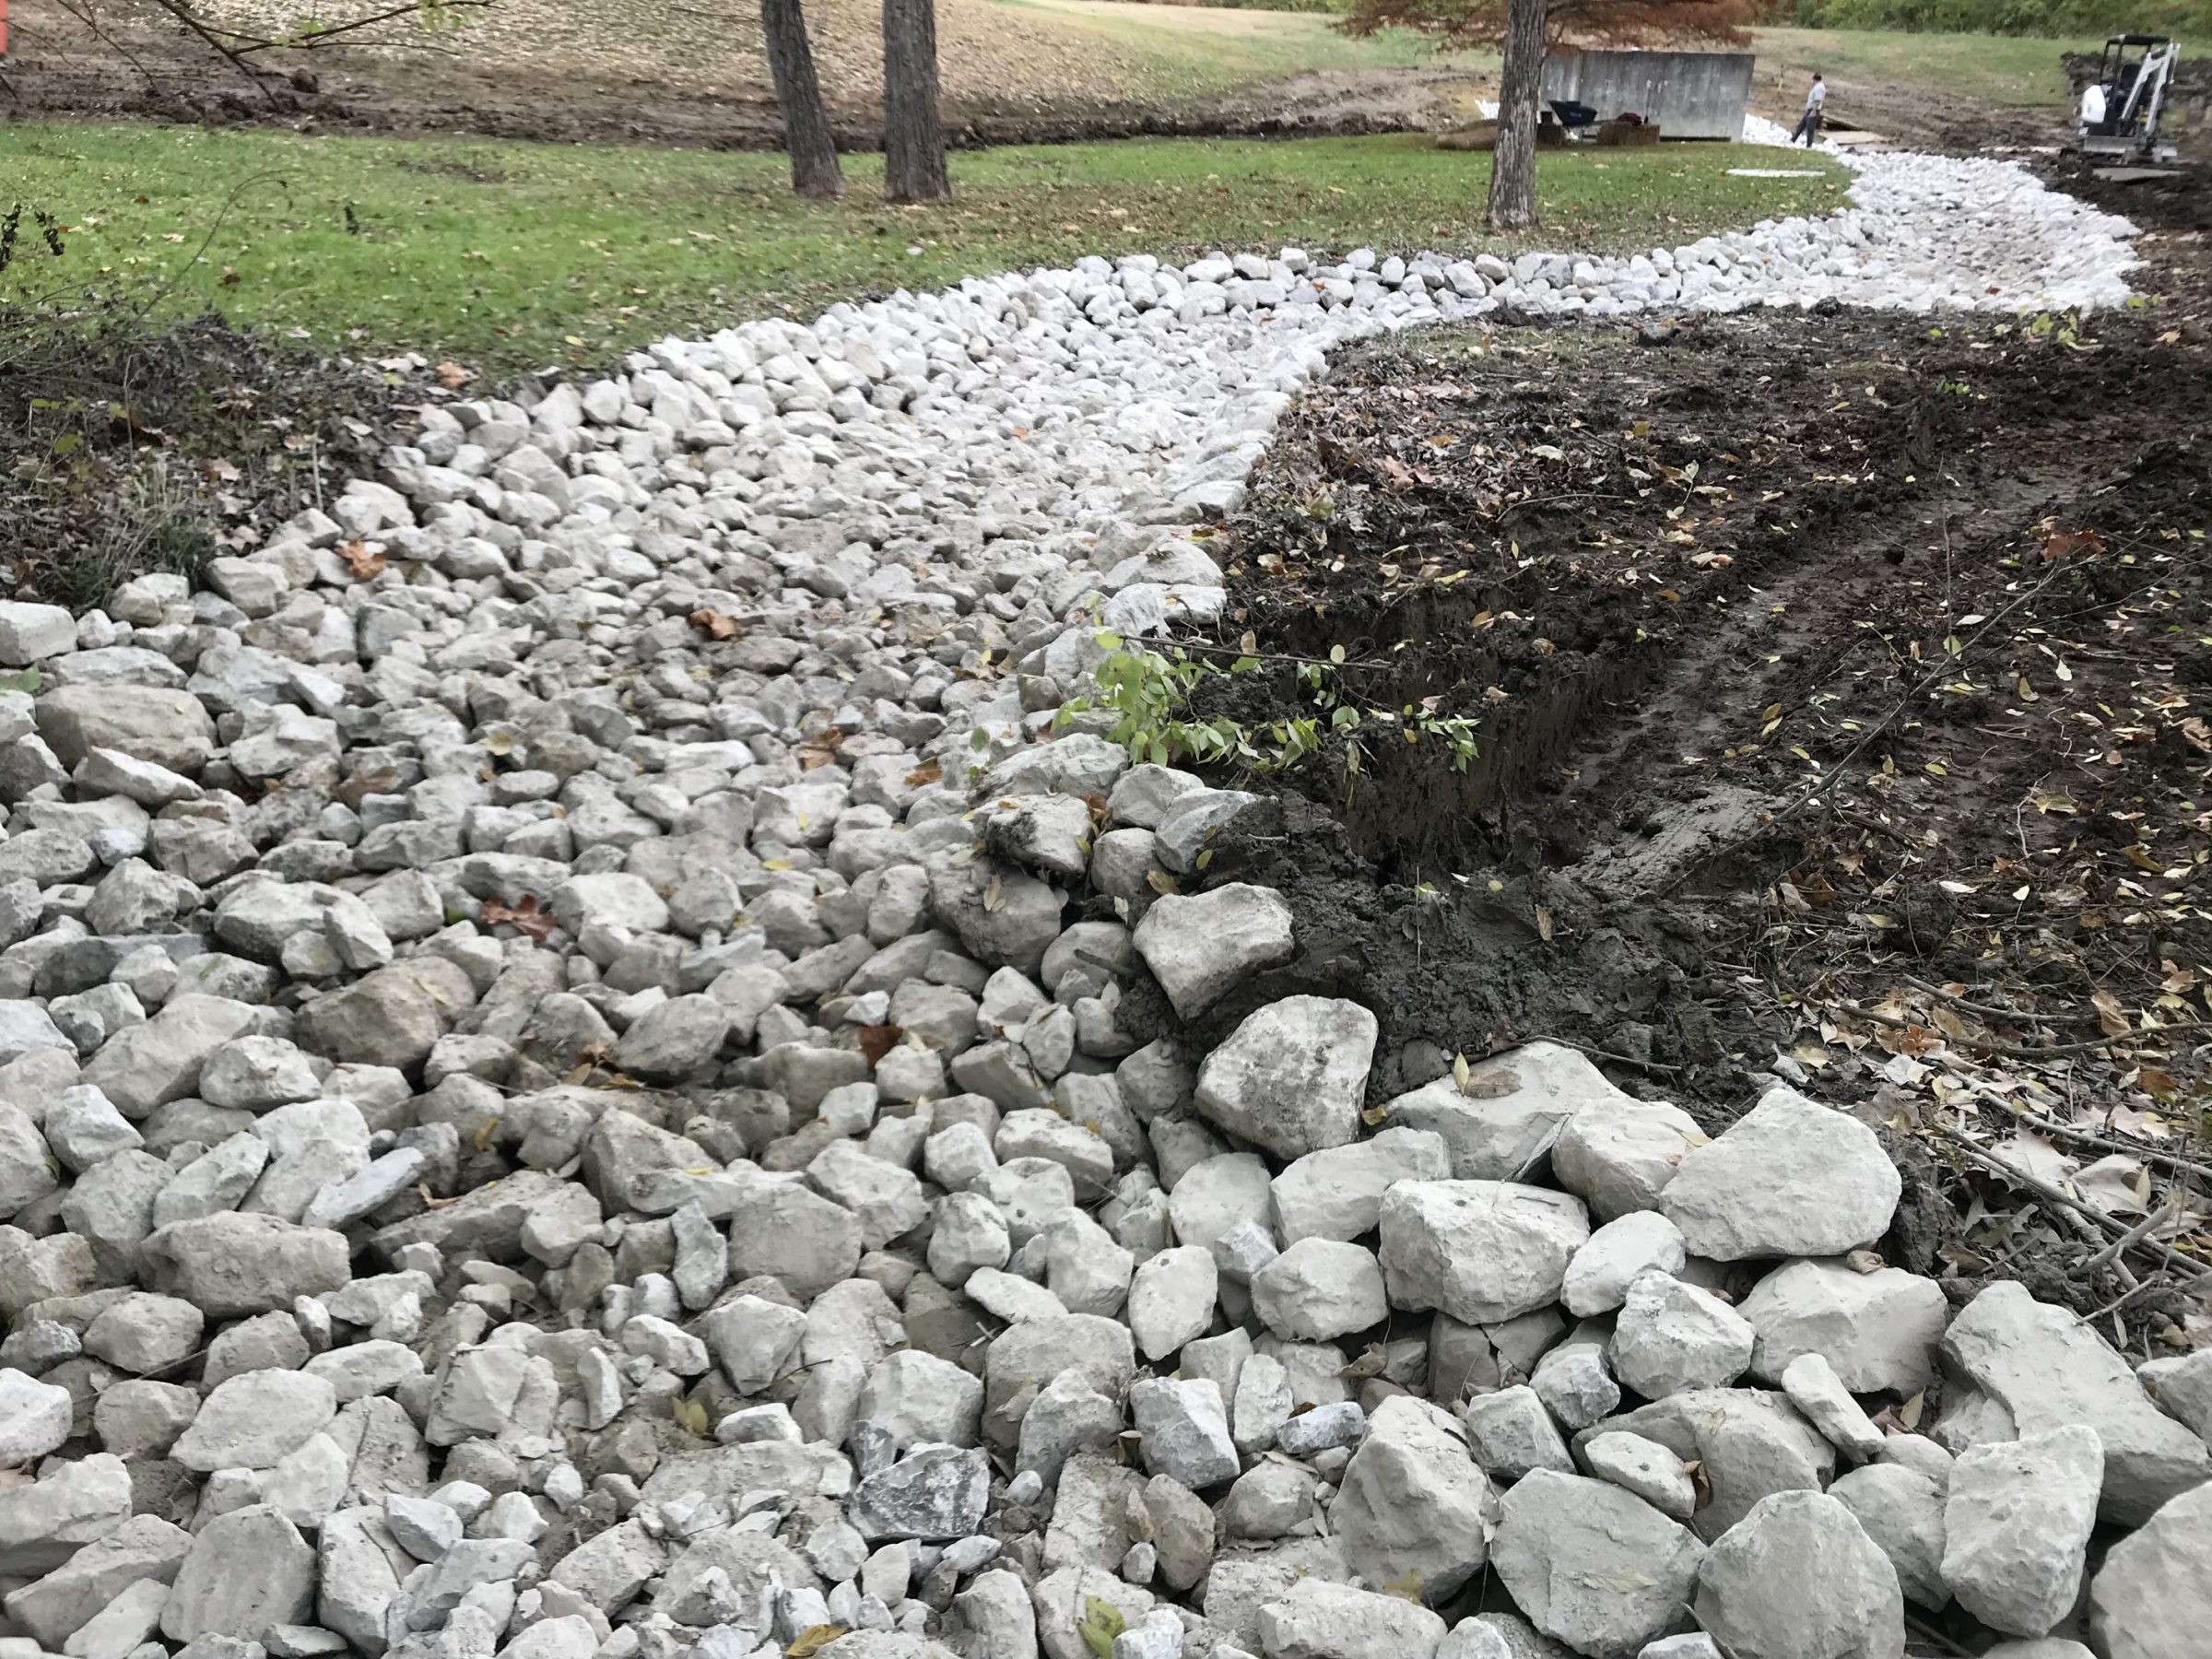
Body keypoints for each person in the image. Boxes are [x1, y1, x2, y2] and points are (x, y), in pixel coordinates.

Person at [1792, 73, 1827, 147]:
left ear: (1814, 79)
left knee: (1810, 128)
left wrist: (1814, 111)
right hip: (1809, 110)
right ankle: (1793, 139)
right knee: (1801, 126)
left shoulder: (1819, 88)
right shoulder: (1817, 87)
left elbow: (1817, 100)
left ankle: (1809, 145)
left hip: (1813, 110)